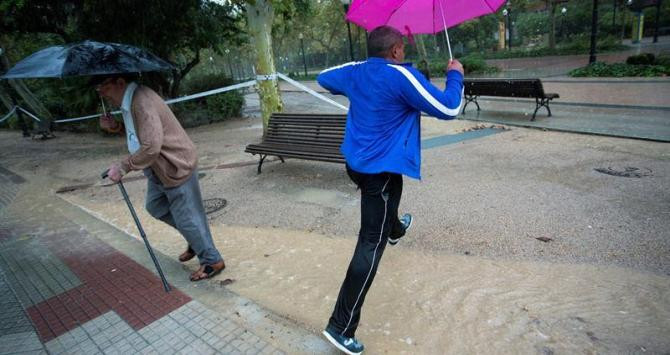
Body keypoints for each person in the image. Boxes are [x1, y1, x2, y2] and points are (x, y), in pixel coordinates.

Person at [316, 26, 464, 354]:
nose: (404, 52)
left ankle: (395, 228)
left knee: (387, 208)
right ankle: (340, 326)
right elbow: (449, 108)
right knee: (370, 241)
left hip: (356, 166)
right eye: (403, 48)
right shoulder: (401, 77)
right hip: (378, 174)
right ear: (396, 50)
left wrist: (364, 66)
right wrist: (455, 76)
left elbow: (324, 76)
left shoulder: (357, 72)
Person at [94, 74, 225, 281]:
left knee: (187, 219)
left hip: (174, 166)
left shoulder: (141, 102)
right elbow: (140, 137)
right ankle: (196, 240)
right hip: (158, 169)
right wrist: (116, 127)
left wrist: (123, 167)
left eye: (103, 85)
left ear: (120, 82)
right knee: (156, 206)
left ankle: (212, 260)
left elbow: (151, 146)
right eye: (97, 87)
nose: (100, 91)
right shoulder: (130, 102)